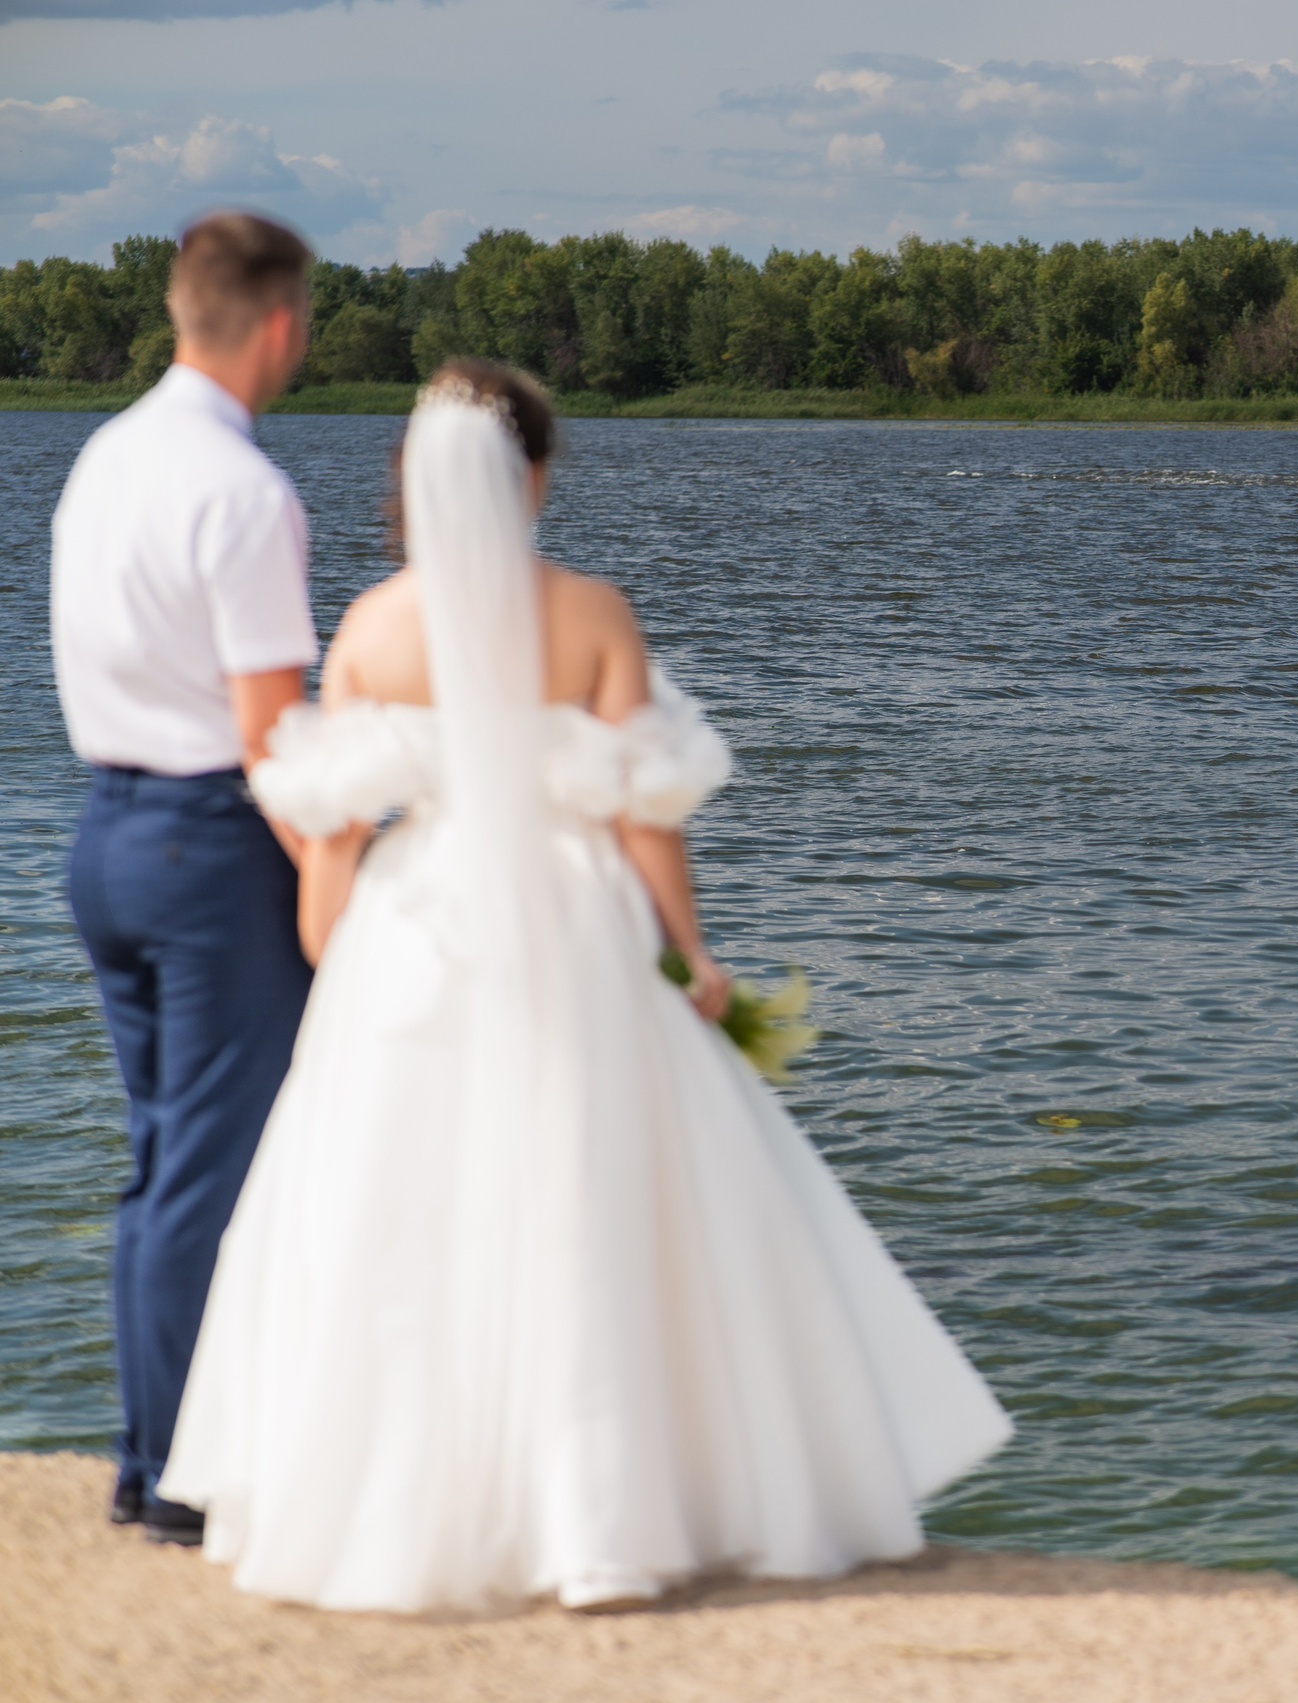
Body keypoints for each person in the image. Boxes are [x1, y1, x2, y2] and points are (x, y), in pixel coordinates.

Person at [157, 361, 1011, 1612]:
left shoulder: (374, 628)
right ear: (536, 477)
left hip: (416, 927)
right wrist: (690, 956)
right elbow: (644, 817)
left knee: (399, 1207)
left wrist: (339, 963)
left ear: (411, 485)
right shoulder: (593, 615)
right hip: (570, 922)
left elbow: (332, 837)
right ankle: (598, 1517)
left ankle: (388, 1517)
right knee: (580, 1196)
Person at [50, 209, 318, 1548]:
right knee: (208, 1168)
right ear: (278, 323)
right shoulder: (245, 490)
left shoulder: (102, 457)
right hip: (209, 841)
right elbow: (276, 734)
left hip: (102, 830)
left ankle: (143, 1449)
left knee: (165, 1155)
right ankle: (172, 1473)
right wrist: (345, 863)